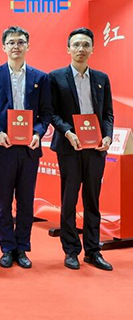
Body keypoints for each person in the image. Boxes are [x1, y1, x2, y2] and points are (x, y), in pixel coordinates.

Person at [0, 26, 52, 269]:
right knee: (3, 200)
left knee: (25, 199)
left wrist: (38, 133)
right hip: (3, 146)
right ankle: (7, 247)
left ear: (27, 46)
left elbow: (46, 113)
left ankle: (22, 247)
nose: (16, 46)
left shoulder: (41, 78)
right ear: (4, 47)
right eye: (11, 42)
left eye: (21, 42)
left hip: (29, 147)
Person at [49, 27, 114, 271]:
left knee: (92, 200)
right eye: (76, 45)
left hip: (95, 148)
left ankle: (93, 251)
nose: (81, 49)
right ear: (68, 49)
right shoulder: (56, 77)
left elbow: (107, 114)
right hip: (69, 147)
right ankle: (71, 251)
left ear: (92, 49)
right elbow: (52, 113)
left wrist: (107, 136)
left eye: (86, 45)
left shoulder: (101, 78)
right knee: (69, 199)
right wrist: (68, 132)